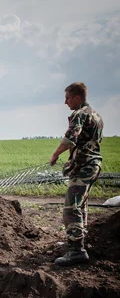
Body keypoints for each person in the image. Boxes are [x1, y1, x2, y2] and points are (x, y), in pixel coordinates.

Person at [49, 82, 104, 266]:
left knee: (71, 208)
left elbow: (70, 138)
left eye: (67, 98)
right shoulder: (96, 115)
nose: (65, 102)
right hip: (93, 164)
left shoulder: (80, 115)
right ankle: (78, 241)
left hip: (84, 166)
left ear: (77, 97)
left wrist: (56, 154)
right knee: (80, 206)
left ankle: (76, 251)